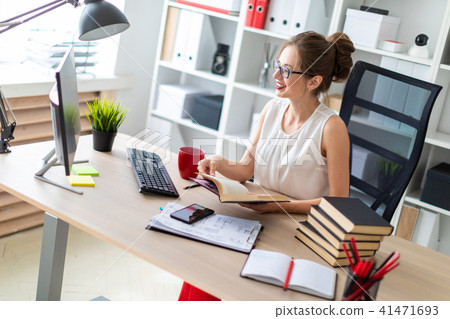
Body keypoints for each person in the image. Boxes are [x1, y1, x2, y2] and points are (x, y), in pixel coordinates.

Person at [178, 31, 355, 301]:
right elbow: (246, 169)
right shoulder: (272, 109)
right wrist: (219, 162)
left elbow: (338, 202)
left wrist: (277, 205)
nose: (276, 76)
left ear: (314, 81)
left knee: (227, 278)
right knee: (201, 270)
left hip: (297, 229)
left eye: (286, 70)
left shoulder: (331, 127)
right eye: (277, 66)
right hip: (260, 218)